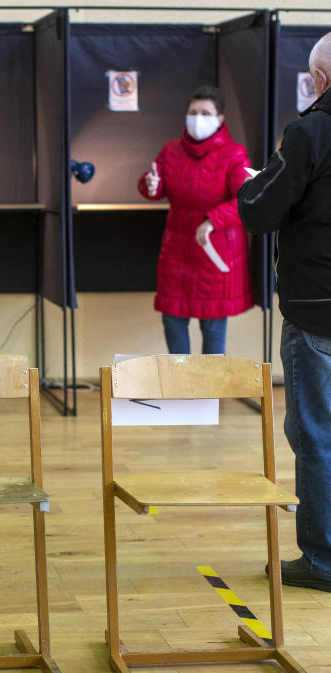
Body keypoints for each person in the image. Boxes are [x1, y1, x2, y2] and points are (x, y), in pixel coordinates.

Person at [238, 32, 331, 593]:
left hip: (318, 311)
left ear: (319, 78)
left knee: (316, 436)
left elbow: (259, 210)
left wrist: (255, 183)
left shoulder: (311, 131)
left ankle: (322, 560)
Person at [138, 85, 254, 354]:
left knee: (212, 325)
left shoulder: (234, 153)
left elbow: (246, 198)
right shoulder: (171, 150)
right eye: (193, 112)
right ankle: (179, 388)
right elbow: (154, 188)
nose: (198, 118)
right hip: (177, 250)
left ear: (220, 119)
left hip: (214, 250)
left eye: (205, 112)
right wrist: (150, 184)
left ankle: (208, 393)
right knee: (172, 319)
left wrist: (213, 219)